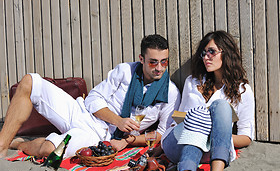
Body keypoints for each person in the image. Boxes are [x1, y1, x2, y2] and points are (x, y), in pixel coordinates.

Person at [0, 34, 181, 159]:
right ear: (142, 59)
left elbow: (162, 134)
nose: (159, 68)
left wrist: (127, 140)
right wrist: (118, 120)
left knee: (50, 151)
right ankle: (2, 146)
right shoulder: (125, 71)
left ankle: (19, 144)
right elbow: (93, 99)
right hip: (81, 112)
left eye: (164, 62)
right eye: (153, 62)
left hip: (96, 135)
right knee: (30, 81)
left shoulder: (170, 92)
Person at [161, 30, 255, 171]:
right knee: (199, 115)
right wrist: (201, 127)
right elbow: (179, 120)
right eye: (204, 53)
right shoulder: (193, 81)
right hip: (178, 144)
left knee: (221, 106)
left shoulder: (242, 91)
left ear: (226, 53)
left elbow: (246, 137)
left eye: (212, 51)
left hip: (211, 150)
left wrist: (216, 136)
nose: (206, 57)